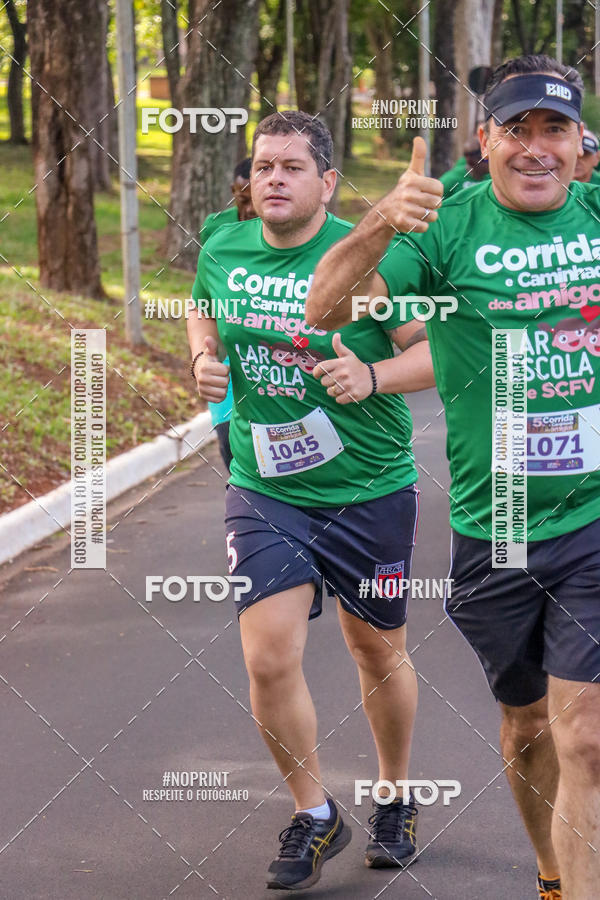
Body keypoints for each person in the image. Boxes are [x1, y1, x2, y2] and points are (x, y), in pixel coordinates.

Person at [306, 55, 600, 900]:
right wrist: (376, 228)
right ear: (486, 141)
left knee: (585, 736)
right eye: (518, 130)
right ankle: (551, 872)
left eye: (556, 130)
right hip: (496, 518)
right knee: (526, 722)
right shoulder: (444, 227)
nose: (536, 147)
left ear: (582, 145)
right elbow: (324, 308)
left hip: (592, 519)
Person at [187, 110, 435, 891]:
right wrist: (203, 358)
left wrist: (370, 378)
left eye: (292, 167)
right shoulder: (225, 243)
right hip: (265, 487)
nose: (273, 180)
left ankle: (394, 795)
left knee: (375, 649)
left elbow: (435, 352)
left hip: (368, 486)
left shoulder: (366, 262)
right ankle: (316, 813)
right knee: (268, 655)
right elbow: (201, 306)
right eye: (263, 166)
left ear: (328, 182)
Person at [200, 158, 257, 471]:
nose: (246, 209)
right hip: (229, 363)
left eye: (253, 200)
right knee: (230, 450)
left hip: (275, 366)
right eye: (240, 198)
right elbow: (203, 296)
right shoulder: (217, 229)